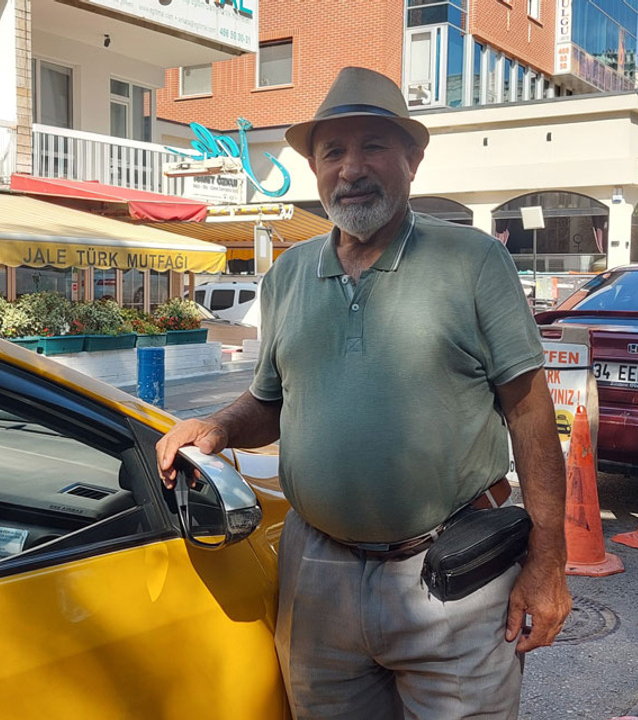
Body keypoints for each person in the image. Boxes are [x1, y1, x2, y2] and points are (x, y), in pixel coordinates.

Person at [156, 67, 571, 719]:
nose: (352, 169)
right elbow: (271, 402)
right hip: (318, 576)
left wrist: (549, 563)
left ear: (411, 158)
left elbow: (530, 412)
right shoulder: (289, 273)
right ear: (315, 170)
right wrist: (218, 427)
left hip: (451, 576)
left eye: (373, 145)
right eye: (333, 151)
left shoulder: (472, 261)